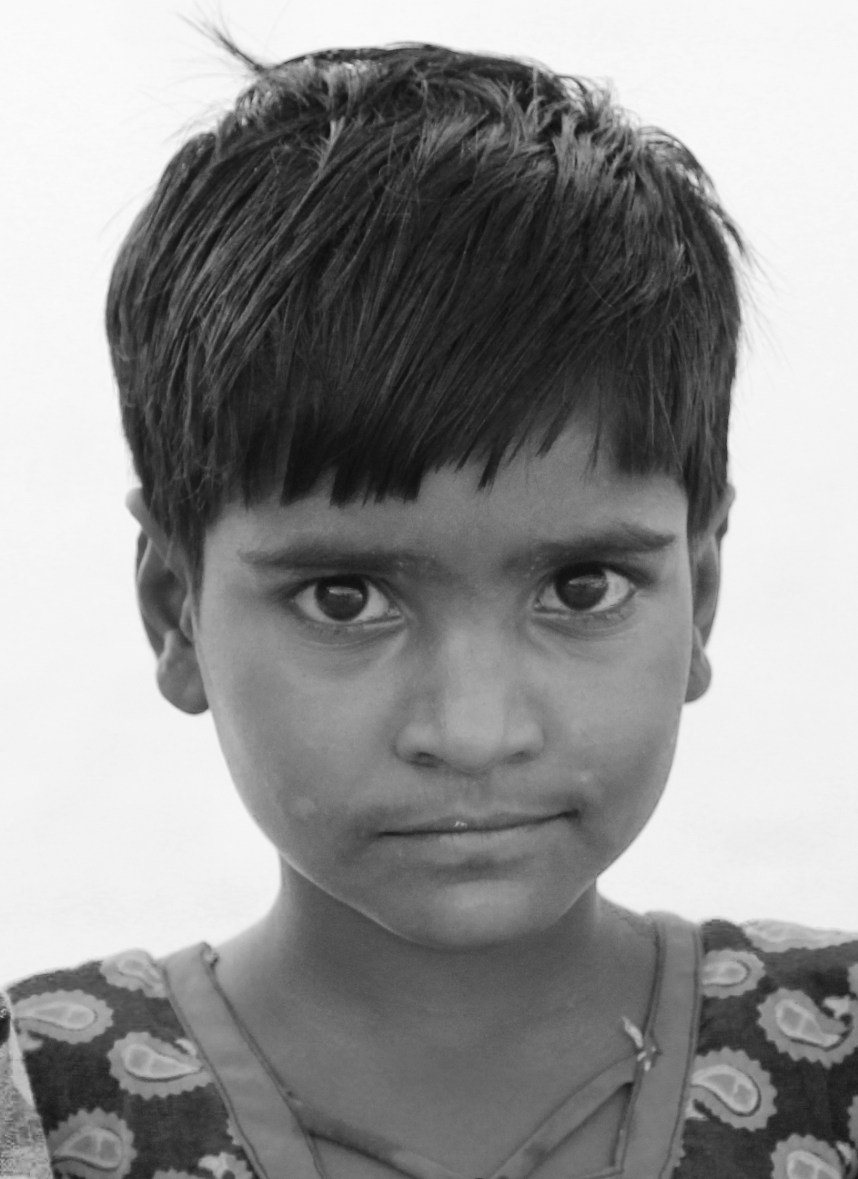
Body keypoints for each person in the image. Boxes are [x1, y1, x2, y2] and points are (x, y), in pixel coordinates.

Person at [4, 36, 857, 1179]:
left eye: (582, 587)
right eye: (346, 597)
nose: (472, 729)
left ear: (700, 595)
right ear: (175, 610)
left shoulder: (835, 1060)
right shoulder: (40, 1111)